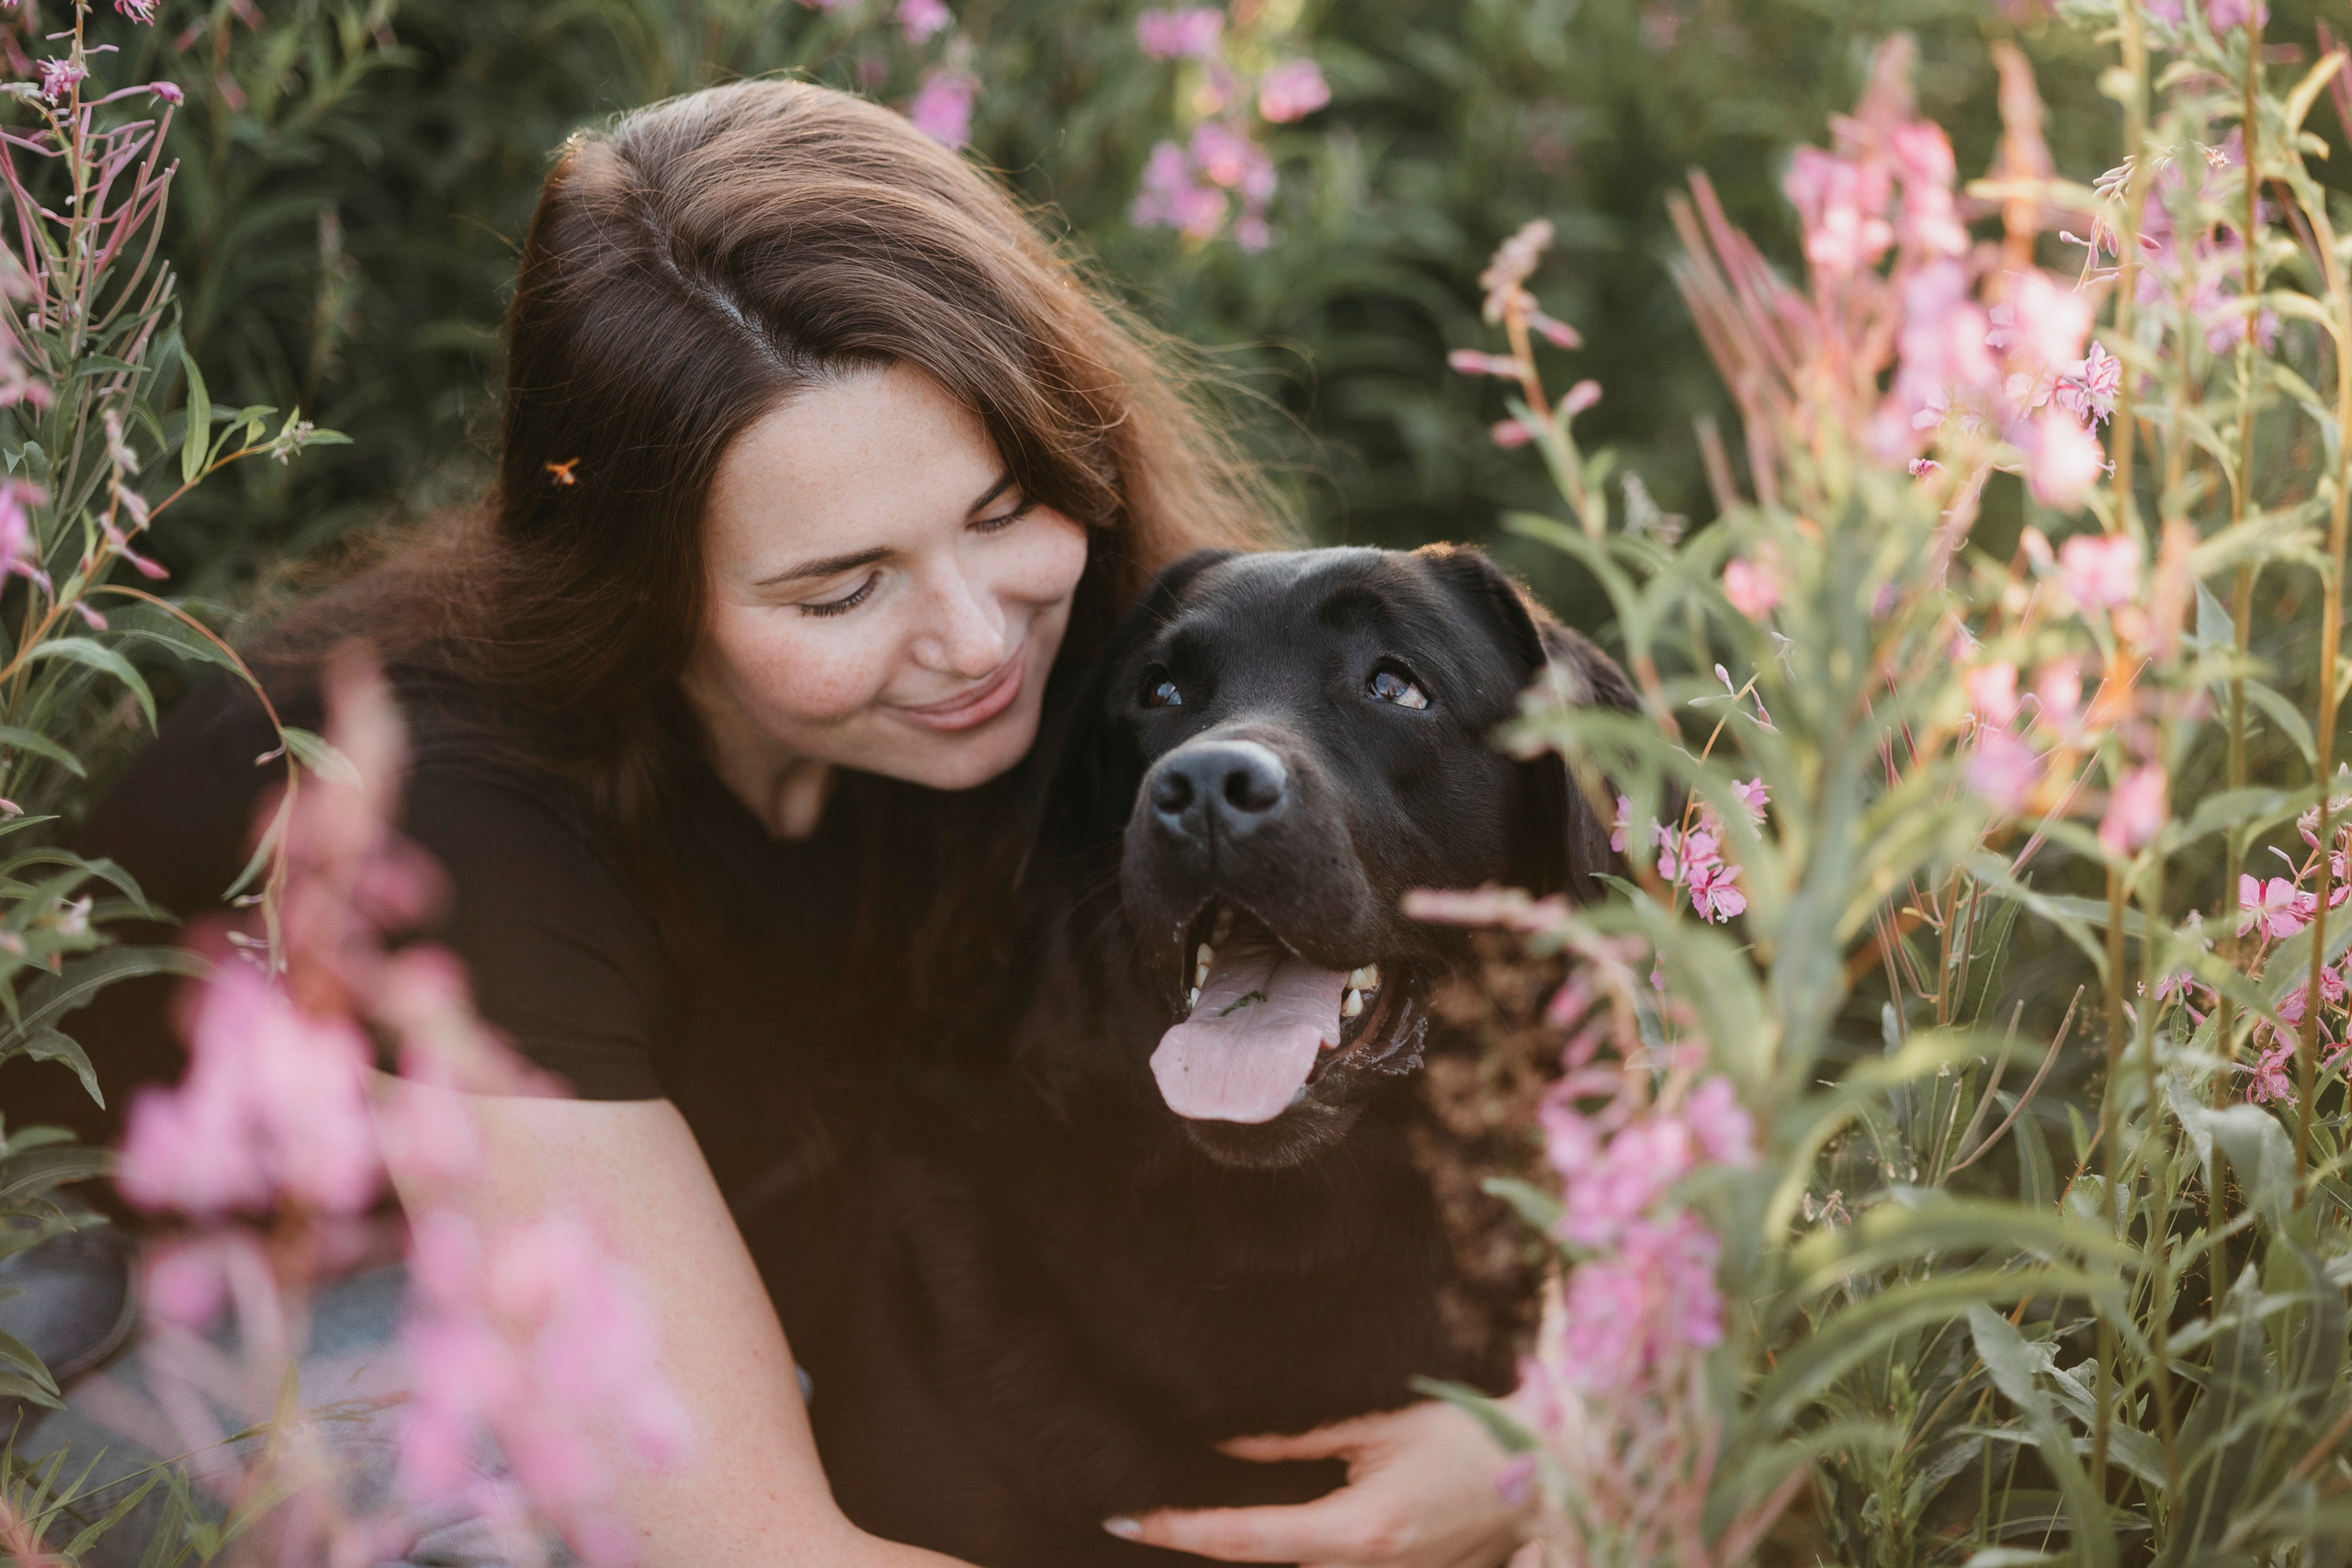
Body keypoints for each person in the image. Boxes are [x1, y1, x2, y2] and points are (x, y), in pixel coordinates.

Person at [15, 80, 1534, 1568]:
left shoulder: (1101, 676)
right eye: (840, 589)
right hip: (132, 1316)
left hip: (654, 1230)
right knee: (540, 1521)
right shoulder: (453, 814)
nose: (973, 640)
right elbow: (749, 1546)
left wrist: (1546, 1434)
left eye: (1004, 508)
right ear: (646, 586)